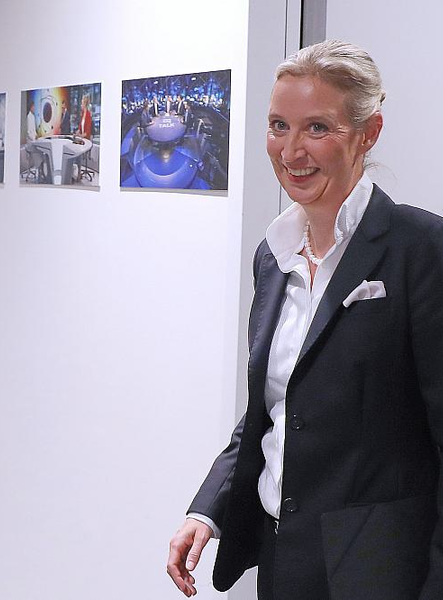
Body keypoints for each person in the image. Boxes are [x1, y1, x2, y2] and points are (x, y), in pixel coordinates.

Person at [167, 40, 443, 600]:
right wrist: (210, 509)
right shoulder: (274, 257)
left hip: (381, 569)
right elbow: (273, 409)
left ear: (368, 133)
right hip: (282, 554)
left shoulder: (422, 249)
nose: (291, 151)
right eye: (278, 125)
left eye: (318, 127)